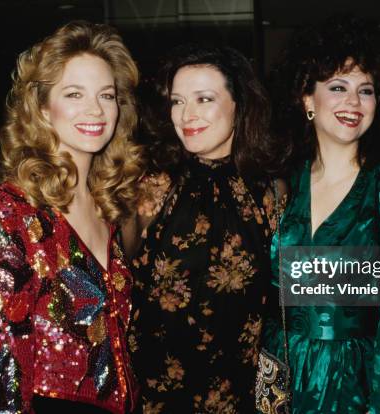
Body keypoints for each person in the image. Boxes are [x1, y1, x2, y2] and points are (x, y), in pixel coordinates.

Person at [0, 21, 143, 413]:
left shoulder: (109, 203)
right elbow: (2, 365)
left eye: (107, 95)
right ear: (43, 107)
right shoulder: (7, 210)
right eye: (74, 93)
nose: (95, 109)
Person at [262, 16, 380, 414]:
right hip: (276, 374)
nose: (353, 102)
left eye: (365, 90)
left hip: (352, 380)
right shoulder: (280, 183)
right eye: (338, 87)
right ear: (307, 99)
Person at [126, 44, 283, 413]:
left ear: (239, 104)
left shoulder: (271, 192)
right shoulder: (152, 185)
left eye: (203, 98)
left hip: (238, 395)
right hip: (154, 395)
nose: (187, 114)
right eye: (178, 101)